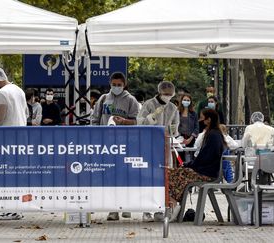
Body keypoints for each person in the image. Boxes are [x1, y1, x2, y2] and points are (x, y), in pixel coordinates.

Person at [91, 72, 139, 221]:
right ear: (110, 83)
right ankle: (112, 209)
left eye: (119, 85)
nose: (116, 87)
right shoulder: (103, 98)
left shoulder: (131, 100)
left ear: (124, 85)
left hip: (125, 143)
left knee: (125, 176)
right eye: (114, 84)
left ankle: (126, 206)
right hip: (106, 144)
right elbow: (95, 119)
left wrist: (124, 121)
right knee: (109, 176)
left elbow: (138, 121)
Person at [168, 109, 226, 221]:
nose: (200, 120)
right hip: (207, 170)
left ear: (208, 120)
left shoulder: (213, 135)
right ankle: (175, 202)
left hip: (207, 173)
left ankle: (175, 202)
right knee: (177, 173)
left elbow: (205, 157)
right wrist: (190, 165)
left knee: (175, 173)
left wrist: (190, 165)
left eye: (202, 117)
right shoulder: (214, 134)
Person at [0, 67, 27, 220]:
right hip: (21, 137)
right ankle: (17, 207)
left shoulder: (2, 93)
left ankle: (11, 209)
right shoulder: (19, 90)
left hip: (6, 139)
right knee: (16, 174)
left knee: (7, 174)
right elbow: (26, 113)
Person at [137, 81, 179, 222]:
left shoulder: (173, 107)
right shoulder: (149, 104)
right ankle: (146, 210)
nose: (167, 96)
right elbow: (140, 122)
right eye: (165, 94)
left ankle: (160, 209)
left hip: (165, 144)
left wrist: (172, 131)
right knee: (148, 177)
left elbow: (175, 127)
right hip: (149, 144)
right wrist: (153, 116)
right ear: (160, 92)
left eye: (170, 94)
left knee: (164, 177)